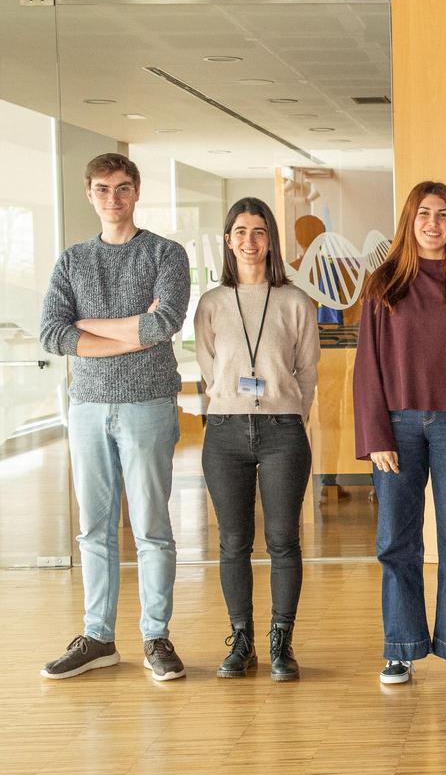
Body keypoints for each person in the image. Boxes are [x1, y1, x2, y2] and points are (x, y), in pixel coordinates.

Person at [38, 153, 190, 680]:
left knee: (151, 527)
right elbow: (54, 334)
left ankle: (156, 637)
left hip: (148, 405)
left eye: (122, 189)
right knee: (93, 530)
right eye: (102, 190)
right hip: (86, 409)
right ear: (89, 195)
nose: (113, 199)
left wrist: (92, 332)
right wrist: (129, 332)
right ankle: (98, 637)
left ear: (137, 192)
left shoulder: (165, 254)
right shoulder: (71, 260)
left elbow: (164, 323)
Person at [353, 181, 446, 684]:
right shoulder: (382, 283)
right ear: (409, 221)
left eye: (443, 214)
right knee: (396, 540)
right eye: (424, 214)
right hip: (396, 428)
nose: (434, 224)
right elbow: (367, 367)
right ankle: (401, 645)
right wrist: (375, 434)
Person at [194, 197, 319, 681]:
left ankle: (281, 643)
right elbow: (210, 367)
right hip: (224, 429)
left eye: (260, 232)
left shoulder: (294, 301)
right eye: (241, 232)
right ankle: (241, 642)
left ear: (272, 241)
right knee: (233, 542)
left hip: (282, 429)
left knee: (284, 540)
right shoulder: (210, 303)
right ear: (228, 240)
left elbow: (307, 371)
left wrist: (290, 411)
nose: (250, 241)